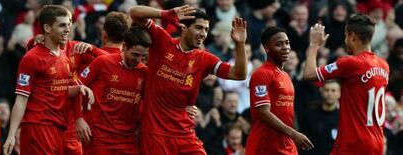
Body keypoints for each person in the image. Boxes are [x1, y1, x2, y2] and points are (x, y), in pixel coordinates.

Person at [130, 5, 248, 155]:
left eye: (206, 29)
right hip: (155, 133)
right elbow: (134, 13)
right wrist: (165, 14)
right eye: (199, 28)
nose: (203, 34)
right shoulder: (163, 42)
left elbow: (239, 74)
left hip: (184, 133)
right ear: (184, 27)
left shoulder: (204, 59)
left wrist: (240, 44)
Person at [3, 5, 94, 155]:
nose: (68, 29)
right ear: (47, 27)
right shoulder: (31, 58)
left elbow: (56, 90)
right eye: (62, 25)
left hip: (58, 128)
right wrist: (12, 135)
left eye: (69, 24)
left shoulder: (63, 56)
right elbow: (21, 98)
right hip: (38, 127)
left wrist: (79, 89)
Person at [303, 13, 389, 154]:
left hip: (354, 143)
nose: (345, 40)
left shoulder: (350, 63)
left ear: (352, 36)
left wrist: (314, 45)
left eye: (345, 36)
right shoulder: (384, 65)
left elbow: (309, 74)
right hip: (377, 142)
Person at [76, 26, 151, 155]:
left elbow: (155, 100)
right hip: (99, 138)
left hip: (128, 140)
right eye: (135, 54)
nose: (138, 60)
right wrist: (78, 119)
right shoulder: (102, 62)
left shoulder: (144, 72)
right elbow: (75, 88)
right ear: (124, 46)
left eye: (143, 56)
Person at [246, 26, 314, 154]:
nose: (285, 47)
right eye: (279, 44)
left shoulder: (286, 76)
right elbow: (263, 112)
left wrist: (292, 135)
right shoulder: (261, 74)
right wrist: (294, 134)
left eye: (287, 43)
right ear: (267, 48)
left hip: (286, 144)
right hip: (264, 146)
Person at [300, 80, 340, 155]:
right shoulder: (310, 115)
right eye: (327, 90)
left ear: (339, 93)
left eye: (333, 91)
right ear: (321, 91)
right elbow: (303, 143)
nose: (329, 94)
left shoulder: (343, 118)